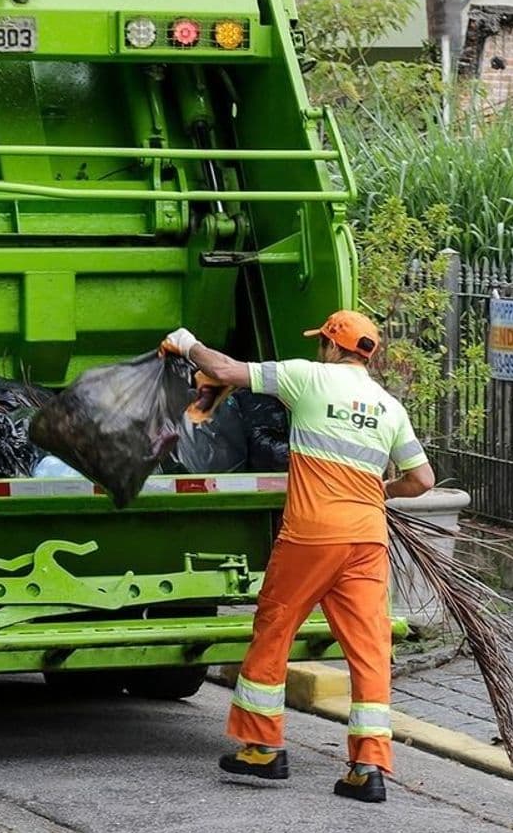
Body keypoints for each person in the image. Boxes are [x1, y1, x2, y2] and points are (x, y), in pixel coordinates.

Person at [160, 310, 435, 804]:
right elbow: (423, 481)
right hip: (367, 539)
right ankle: (367, 767)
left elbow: (224, 372)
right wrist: (379, 491)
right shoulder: (389, 406)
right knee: (369, 649)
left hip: (312, 535)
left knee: (275, 625)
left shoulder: (309, 377)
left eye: (321, 343)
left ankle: (263, 748)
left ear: (332, 345)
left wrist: (187, 343)